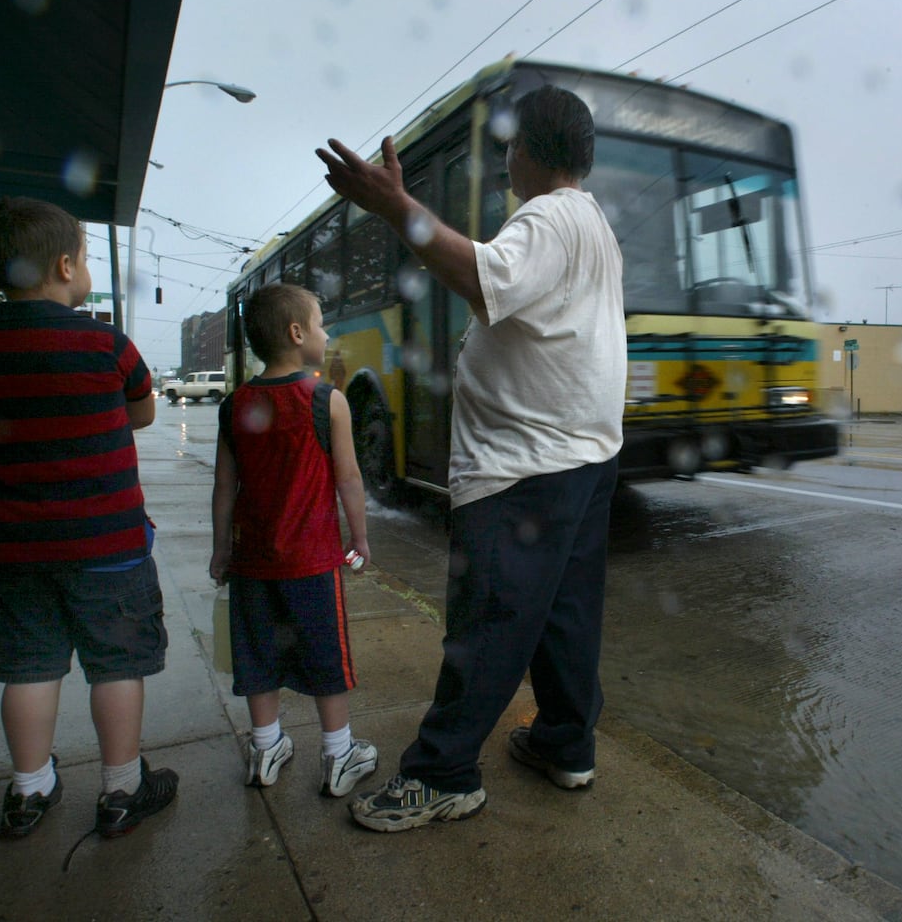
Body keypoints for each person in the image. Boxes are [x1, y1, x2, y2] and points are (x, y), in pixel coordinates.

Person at [315, 84, 627, 832]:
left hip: (524, 464)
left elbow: (487, 280)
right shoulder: (595, 225)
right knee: (563, 616)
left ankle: (445, 773)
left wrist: (394, 207)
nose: (505, 164)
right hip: (585, 457)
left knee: (489, 622)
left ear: (529, 150)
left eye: (509, 149)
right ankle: (564, 744)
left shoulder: (548, 215)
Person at [0, 196, 177, 840]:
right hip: (112, 545)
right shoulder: (106, 342)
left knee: (30, 667)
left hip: (20, 550)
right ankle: (123, 787)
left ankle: (28, 789)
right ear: (67, 262)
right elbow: (141, 414)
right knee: (115, 666)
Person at [209, 283, 378, 798]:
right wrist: (360, 538)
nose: (327, 334)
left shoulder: (235, 405)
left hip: (252, 563)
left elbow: (224, 487)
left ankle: (265, 749)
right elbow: (348, 479)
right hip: (312, 561)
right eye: (322, 324)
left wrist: (221, 550)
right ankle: (338, 753)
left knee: (257, 655)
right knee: (326, 655)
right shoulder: (328, 402)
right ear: (297, 333)